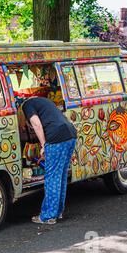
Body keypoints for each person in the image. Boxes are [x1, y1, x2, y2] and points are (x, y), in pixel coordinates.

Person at [21, 96, 77, 224]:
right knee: (61, 176)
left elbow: (36, 124)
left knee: (52, 178)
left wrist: (44, 145)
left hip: (56, 138)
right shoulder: (43, 101)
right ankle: (58, 212)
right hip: (70, 134)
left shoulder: (27, 105)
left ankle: (48, 216)